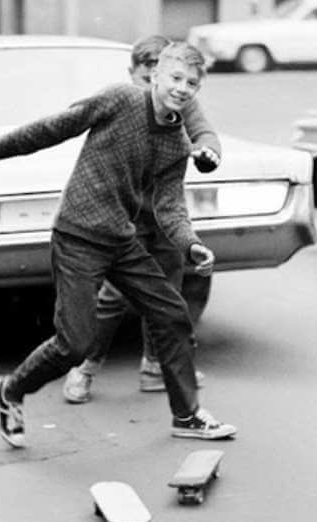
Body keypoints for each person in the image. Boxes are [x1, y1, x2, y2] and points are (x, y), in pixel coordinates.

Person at [0, 42, 237, 447]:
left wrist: (191, 244)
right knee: (75, 344)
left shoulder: (178, 144)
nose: (181, 88)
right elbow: (53, 127)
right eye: (175, 78)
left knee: (172, 314)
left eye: (191, 83)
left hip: (121, 240)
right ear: (156, 75)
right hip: (77, 236)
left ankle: (187, 415)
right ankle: (12, 390)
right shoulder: (120, 100)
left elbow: (170, 206)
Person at [62, 35, 222, 404]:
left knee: (166, 292)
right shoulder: (123, 105)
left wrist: (207, 150)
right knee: (113, 296)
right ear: (135, 74)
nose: (163, 89)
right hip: (123, 219)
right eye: (147, 77)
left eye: (172, 79)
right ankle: (85, 367)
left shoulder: (181, 104)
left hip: (164, 218)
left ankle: (154, 366)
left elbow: (204, 132)